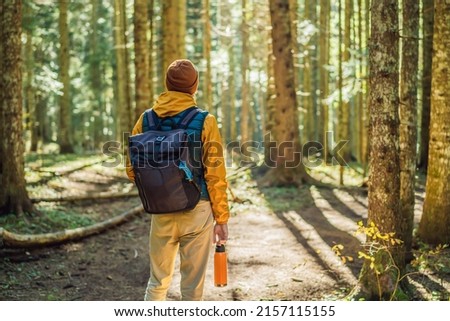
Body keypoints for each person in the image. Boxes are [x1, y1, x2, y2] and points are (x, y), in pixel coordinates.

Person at [126, 59, 230, 301]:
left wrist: (160, 186)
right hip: (197, 210)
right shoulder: (205, 121)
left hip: (160, 211)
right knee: (192, 289)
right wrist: (221, 218)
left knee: (157, 282)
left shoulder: (146, 120)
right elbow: (215, 175)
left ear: (167, 84)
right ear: (194, 87)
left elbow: (132, 169)